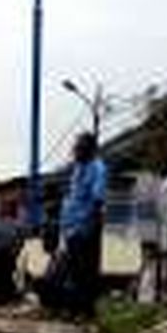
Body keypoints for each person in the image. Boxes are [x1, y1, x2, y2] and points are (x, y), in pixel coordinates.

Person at [56, 132, 108, 316]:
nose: (75, 150)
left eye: (79, 146)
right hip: (72, 227)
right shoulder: (78, 168)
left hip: (87, 226)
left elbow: (97, 200)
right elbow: (74, 195)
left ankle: (86, 310)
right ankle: (74, 308)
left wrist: (90, 225)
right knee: (74, 270)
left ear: (88, 148)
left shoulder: (98, 168)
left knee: (87, 270)